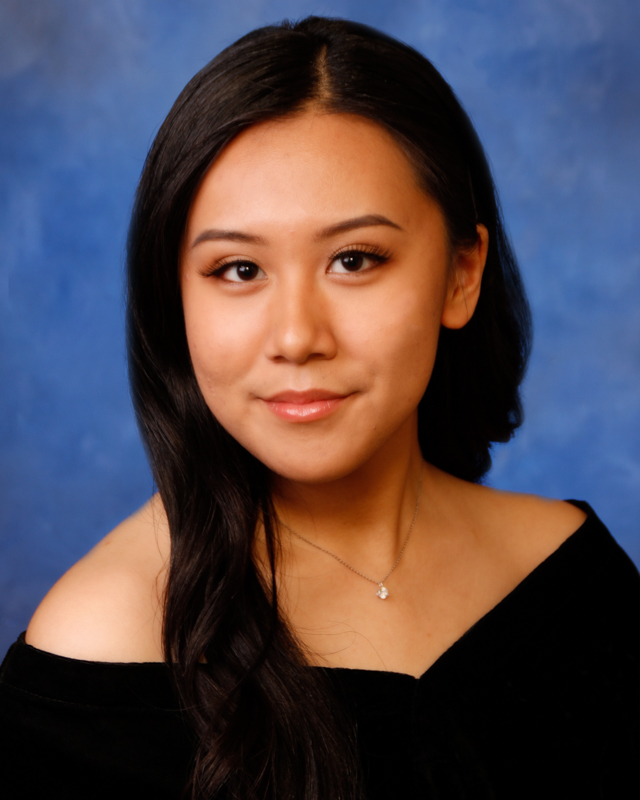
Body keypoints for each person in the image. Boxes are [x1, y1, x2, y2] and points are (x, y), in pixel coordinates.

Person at [1, 15, 638, 800]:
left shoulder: (571, 573)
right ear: (175, 297)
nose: (297, 337)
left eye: (354, 259)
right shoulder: (104, 646)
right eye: (239, 270)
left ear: (461, 275)